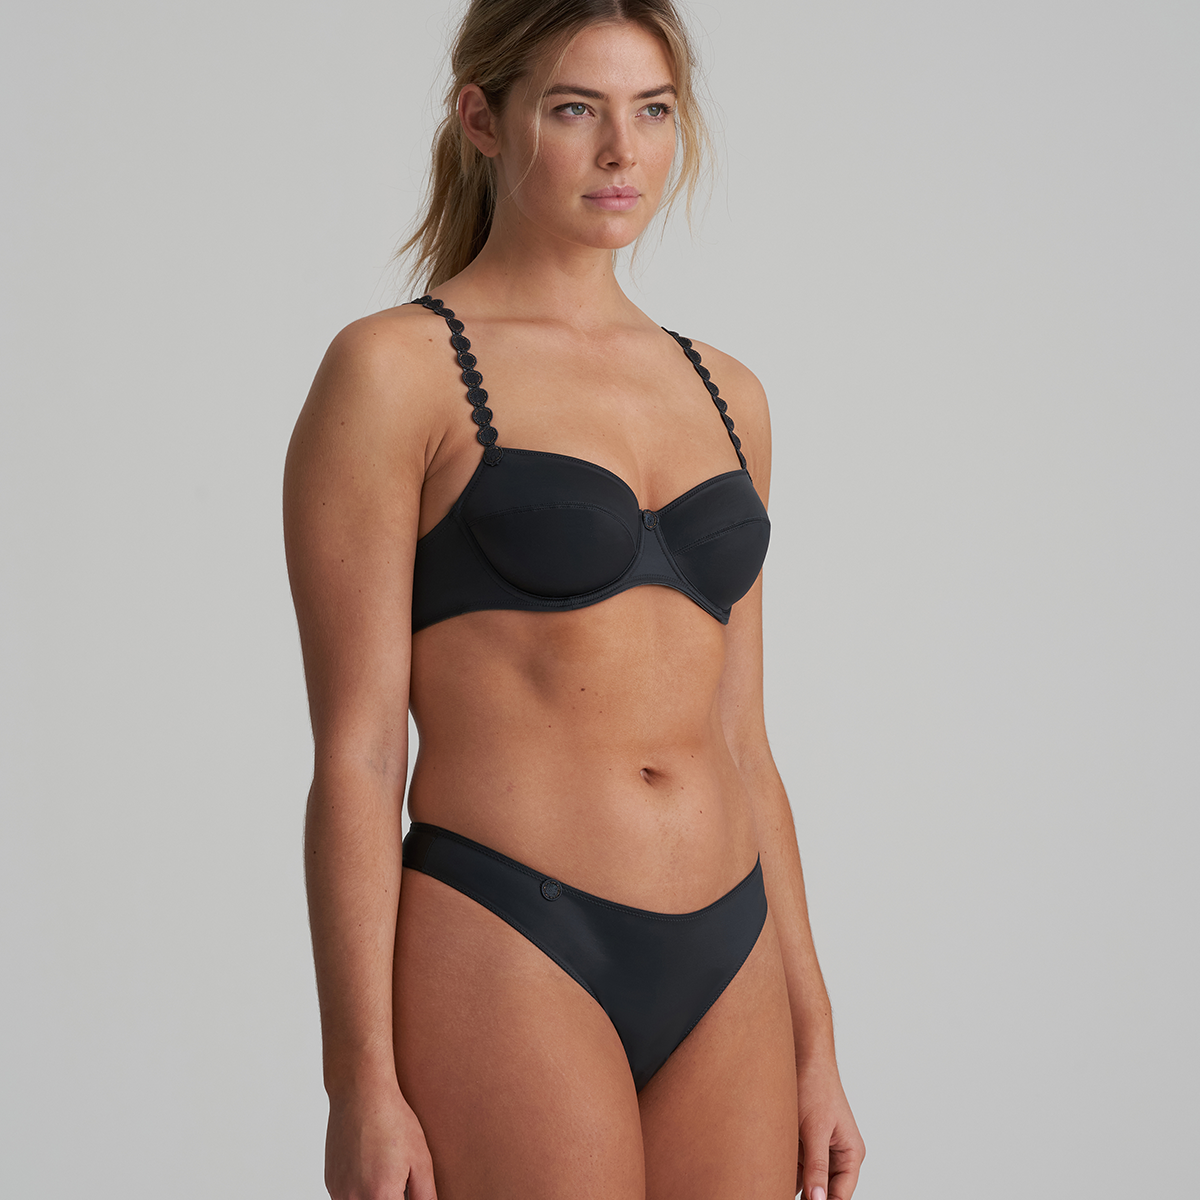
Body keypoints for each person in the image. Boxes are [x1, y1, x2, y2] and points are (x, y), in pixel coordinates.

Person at [283, 1, 865, 1196]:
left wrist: (817, 1038)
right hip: (511, 933)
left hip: (733, 948)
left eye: (652, 111)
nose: (622, 151)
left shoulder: (729, 394)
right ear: (482, 120)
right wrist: (359, 1081)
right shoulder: (394, 371)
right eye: (574, 110)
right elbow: (357, 752)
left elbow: (744, 741)